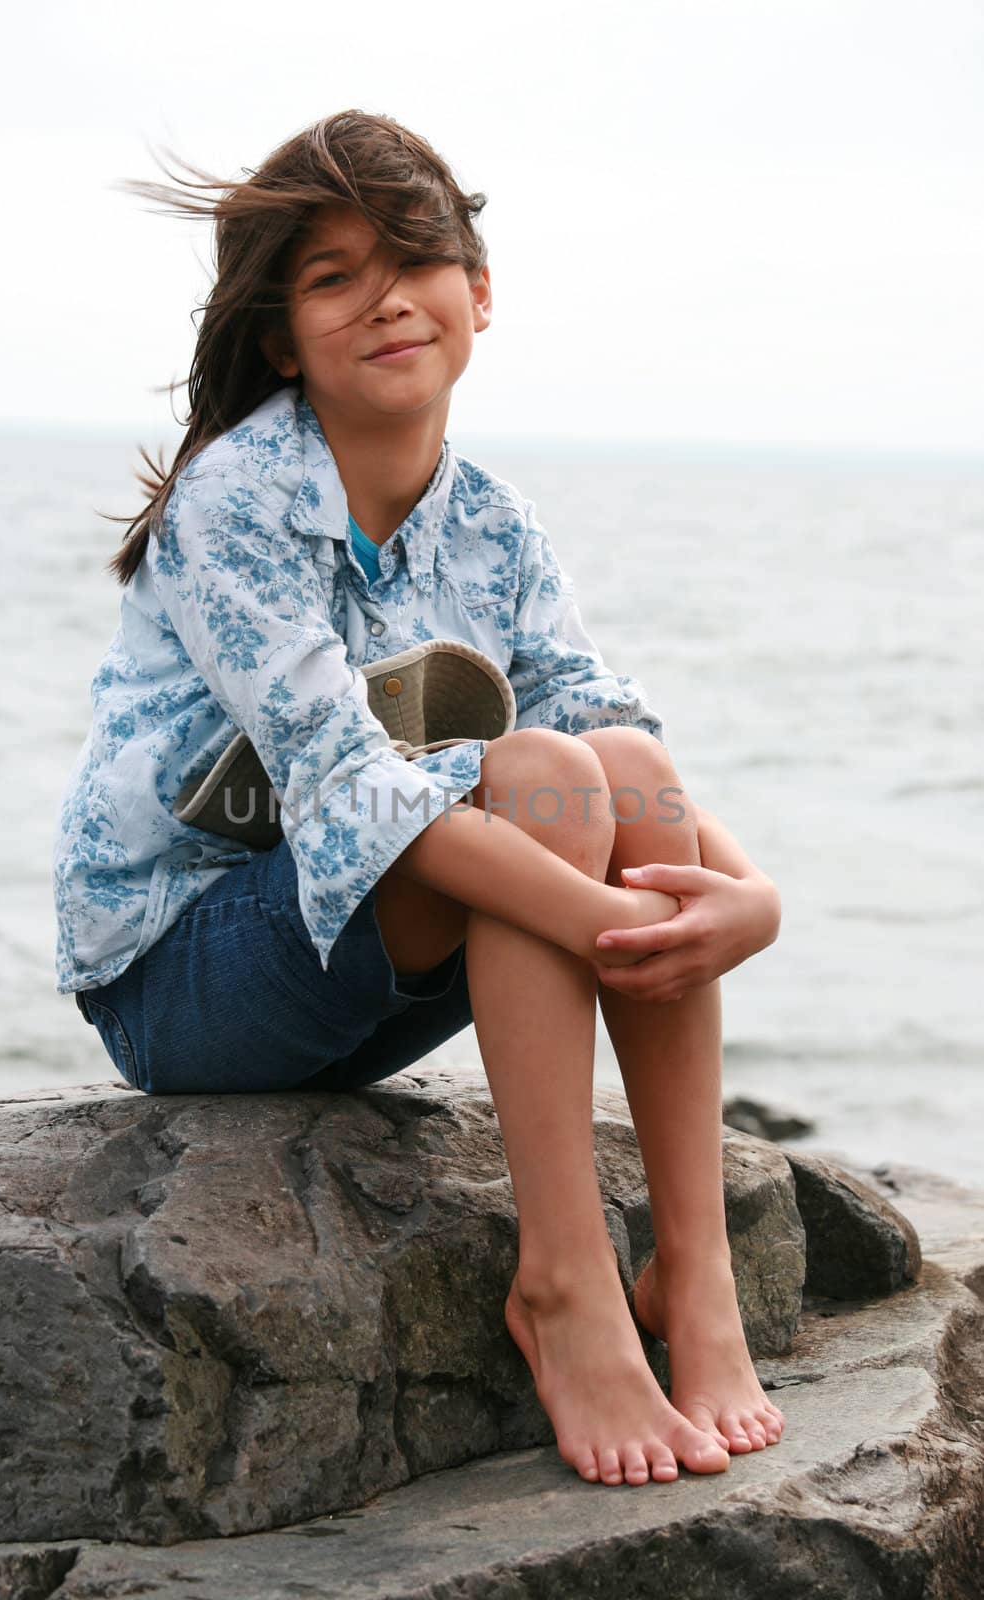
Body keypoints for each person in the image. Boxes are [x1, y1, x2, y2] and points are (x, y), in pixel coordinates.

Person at [52, 108, 786, 1491]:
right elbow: (349, 791)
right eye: (332, 276)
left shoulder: (493, 524)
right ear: (281, 337)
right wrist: (612, 923)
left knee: (601, 766)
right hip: (186, 975)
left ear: (480, 291)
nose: (385, 293)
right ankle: (563, 1285)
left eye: (416, 256)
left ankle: (694, 1277)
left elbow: (616, 729)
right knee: (538, 782)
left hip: (372, 958)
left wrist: (747, 900)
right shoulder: (239, 501)